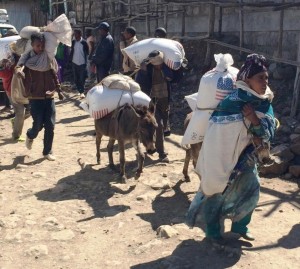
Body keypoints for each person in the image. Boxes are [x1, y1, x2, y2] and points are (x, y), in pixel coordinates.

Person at [186, 54, 276, 242]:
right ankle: (212, 230)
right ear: (247, 79)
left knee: (252, 187)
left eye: (266, 78)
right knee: (215, 192)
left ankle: (240, 226)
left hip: (246, 159)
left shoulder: (265, 102)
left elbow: (266, 135)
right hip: (221, 158)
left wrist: (254, 119)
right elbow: (217, 133)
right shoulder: (232, 101)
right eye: (260, 77)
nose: (264, 82)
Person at [16, 33, 64, 161]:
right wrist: (19, 72)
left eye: (42, 45)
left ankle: (47, 151)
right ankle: (30, 135)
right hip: (35, 97)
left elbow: (54, 73)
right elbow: (19, 68)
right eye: (38, 46)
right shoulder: (27, 61)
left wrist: (58, 90)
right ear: (32, 46)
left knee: (50, 125)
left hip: (49, 96)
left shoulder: (48, 58)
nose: (40, 48)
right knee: (37, 125)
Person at [136, 50, 175, 163]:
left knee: (162, 126)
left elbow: (173, 78)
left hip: (165, 101)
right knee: (159, 126)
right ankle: (162, 153)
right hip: (152, 104)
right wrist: (143, 71)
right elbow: (141, 85)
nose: (158, 66)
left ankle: (150, 147)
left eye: (159, 64)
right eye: (156, 65)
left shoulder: (166, 68)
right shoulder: (146, 69)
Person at [70, 29, 89, 98]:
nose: (75, 36)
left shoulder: (84, 42)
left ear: (80, 34)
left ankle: (82, 91)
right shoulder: (73, 42)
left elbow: (87, 52)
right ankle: (79, 90)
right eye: (74, 34)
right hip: (74, 62)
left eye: (76, 34)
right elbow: (72, 51)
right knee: (76, 78)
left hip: (82, 63)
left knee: (82, 78)